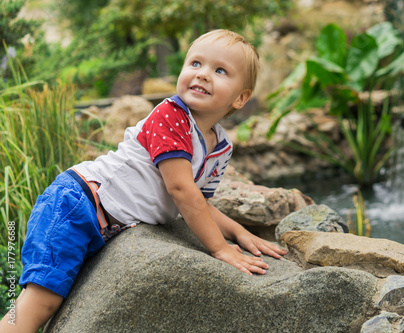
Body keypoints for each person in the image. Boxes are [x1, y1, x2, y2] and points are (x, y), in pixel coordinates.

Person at [0, 29, 287, 333]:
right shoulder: (171, 115)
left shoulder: (221, 146)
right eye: (195, 64)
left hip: (102, 220)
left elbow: (199, 202)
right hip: (78, 205)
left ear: (241, 97)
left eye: (219, 70)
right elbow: (180, 190)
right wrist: (220, 249)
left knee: (59, 296)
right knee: (41, 301)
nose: (202, 75)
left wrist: (238, 232)